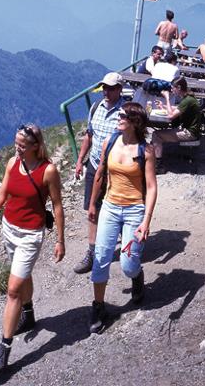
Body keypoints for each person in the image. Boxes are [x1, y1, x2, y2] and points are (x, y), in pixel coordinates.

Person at [0, 124, 64, 374]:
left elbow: (57, 206)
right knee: (21, 276)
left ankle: (4, 348)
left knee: (13, 289)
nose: (17, 148)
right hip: (8, 228)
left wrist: (60, 240)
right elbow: (3, 194)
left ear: (36, 146)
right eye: (16, 143)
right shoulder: (13, 162)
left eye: (22, 145)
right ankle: (29, 312)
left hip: (30, 234)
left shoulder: (48, 171)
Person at [87, 102, 158, 333]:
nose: (118, 118)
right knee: (101, 257)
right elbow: (99, 174)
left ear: (135, 122)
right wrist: (92, 205)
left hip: (134, 210)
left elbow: (151, 186)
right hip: (109, 206)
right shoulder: (110, 142)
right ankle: (98, 307)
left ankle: (136, 276)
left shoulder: (145, 151)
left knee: (128, 264)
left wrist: (146, 220)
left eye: (123, 116)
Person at [72, 72, 124, 275]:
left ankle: (122, 246)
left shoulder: (125, 112)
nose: (106, 91)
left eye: (110, 88)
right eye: (104, 87)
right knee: (92, 210)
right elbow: (89, 136)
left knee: (115, 210)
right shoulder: (96, 108)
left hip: (115, 170)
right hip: (94, 165)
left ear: (120, 89)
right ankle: (92, 253)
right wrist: (79, 161)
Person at [150, 77, 202, 159]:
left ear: (178, 88)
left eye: (172, 88)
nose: (171, 90)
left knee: (156, 135)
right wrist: (163, 106)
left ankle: (158, 164)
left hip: (189, 134)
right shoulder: (188, 98)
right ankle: (156, 151)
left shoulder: (187, 100)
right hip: (192, 131)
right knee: (158, 134)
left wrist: (167, 98)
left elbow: (171, 116)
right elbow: (177, 108)